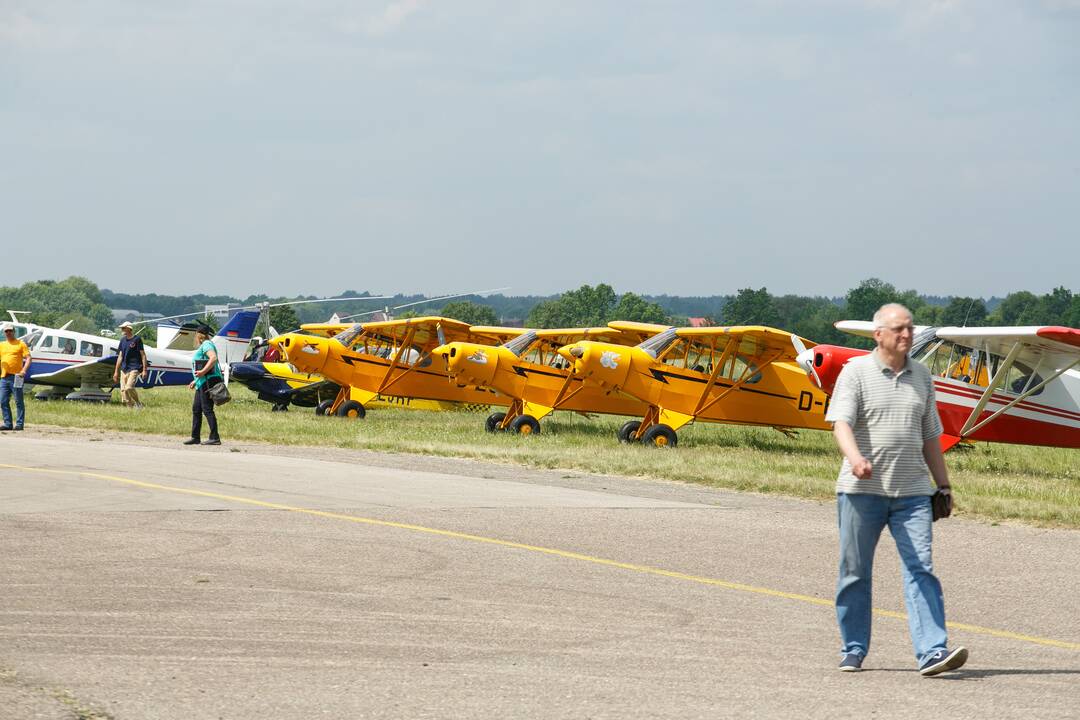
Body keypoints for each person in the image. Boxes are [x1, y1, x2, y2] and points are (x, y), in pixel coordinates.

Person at [825, 303, 967, 677]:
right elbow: (840, 424)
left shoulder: (922, 376)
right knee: (854, 570)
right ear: (879, 335)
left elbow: (931, 436)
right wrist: (855, 459)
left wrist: (944, 485)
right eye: (898, 329)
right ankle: (853, 648)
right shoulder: (855, 373)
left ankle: (932, 652)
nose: (907, 335)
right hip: (861, 492)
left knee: (921, 568)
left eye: (910, 328)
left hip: (913, 494)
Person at [185, 325, 222, 446]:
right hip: (201, 382)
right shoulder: (205, 345)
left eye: (196, 334)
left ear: (199, 334)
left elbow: (213, 358)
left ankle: (215, 437)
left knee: (207, 409)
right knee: (196, 409)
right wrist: (196, 380)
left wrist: (201, 372)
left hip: (208, 382)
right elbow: (205, 363)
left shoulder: (206, 344)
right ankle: (195, 437)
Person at [0, 322, 32, 431]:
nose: (8, 333)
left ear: (14, 332)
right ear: (4, 333)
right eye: (6, 331)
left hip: (17, 376)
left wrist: (24, 370)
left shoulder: (20, 344)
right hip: (4, 377)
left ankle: (19, 424)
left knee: (18, 401)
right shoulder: (2, 345)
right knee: (3, 401)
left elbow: (28, 358)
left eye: (10, 331)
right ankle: (8, 423)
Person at [113, 321, 148, 408]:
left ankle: (138, 403)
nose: (122, 329)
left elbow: (143, 355)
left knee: (129, 387)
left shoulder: (137, 339)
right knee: (123, 391)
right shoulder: (122, 340)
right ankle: (130, 409)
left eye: (123, 328)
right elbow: (120, 356)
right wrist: (116, 372)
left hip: (134, 368)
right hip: (124, 368)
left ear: (129, 328)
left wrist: (144, 370)